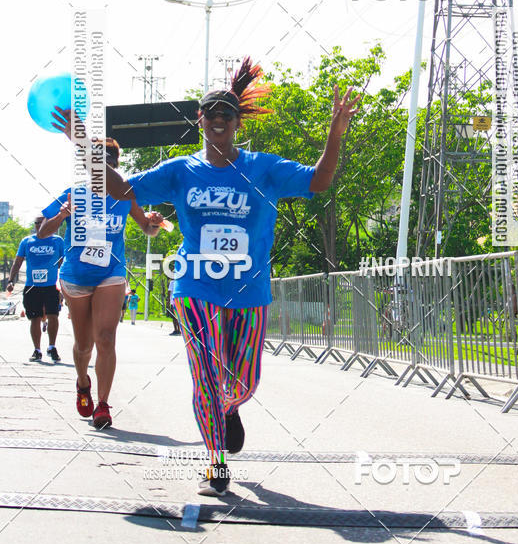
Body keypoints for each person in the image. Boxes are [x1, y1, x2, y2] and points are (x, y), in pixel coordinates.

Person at [52, 57, 359, 494]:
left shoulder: (263, 168)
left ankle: (229, 408)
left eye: (226, 115)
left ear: (237, 124)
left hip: (249, 292)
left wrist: (335, 134)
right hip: (194, 288)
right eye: (211, 114)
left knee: (242, 382)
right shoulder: (180, 171)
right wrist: (81, 141)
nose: (218, 120)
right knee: (206, 376)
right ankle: (215, 462)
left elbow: (320, 181)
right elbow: (120, 188)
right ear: (200, 120)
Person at [37, 138, 165, 429]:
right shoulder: (73, 193)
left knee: (105, 338)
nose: (103, 167)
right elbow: (43, 232)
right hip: (77, 275)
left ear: (114, 166)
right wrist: (62, 214)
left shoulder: (125, 196)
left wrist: (154, 223)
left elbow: (147, 228)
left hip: (112, 273)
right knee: (84, 345)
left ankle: (103, 404)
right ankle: (83, 382)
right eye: (98, 161)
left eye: (109, 162)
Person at [9, 216, 64, 363]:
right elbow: (18, 261)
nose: (39, 225)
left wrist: (65, 283)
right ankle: (37, 350)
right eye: (36, 223)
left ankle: (52, 347)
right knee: (35, 318)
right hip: (32, 286)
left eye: (42, 223)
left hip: (52, 285)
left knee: (53, 316)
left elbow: (64, 262)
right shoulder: (27, 241)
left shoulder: (57, 241)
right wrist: (10, 280)